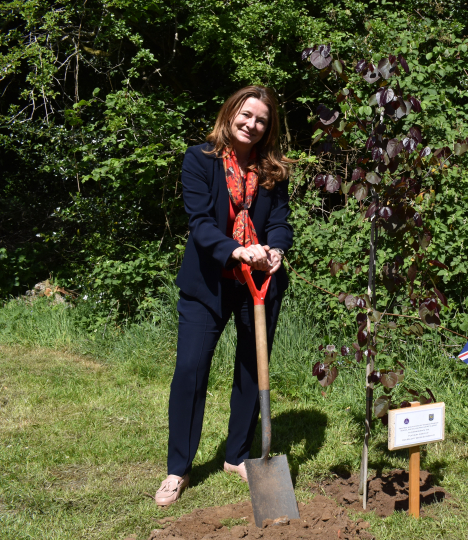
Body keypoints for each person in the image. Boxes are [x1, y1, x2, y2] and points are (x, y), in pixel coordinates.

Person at [154, 86, 293, 506]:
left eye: (262, 120)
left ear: (269, 127)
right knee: (191, 371)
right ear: (230, 113)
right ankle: (178, 469)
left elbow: (282, 222)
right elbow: (199, 222)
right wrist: (236, 250)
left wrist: (275, 250)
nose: (252, 124)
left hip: (259, 282)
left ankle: (237, 456)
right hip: (208, 282)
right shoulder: (200, 160)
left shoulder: (274, 170)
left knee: (253, 369)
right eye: (246, 115)